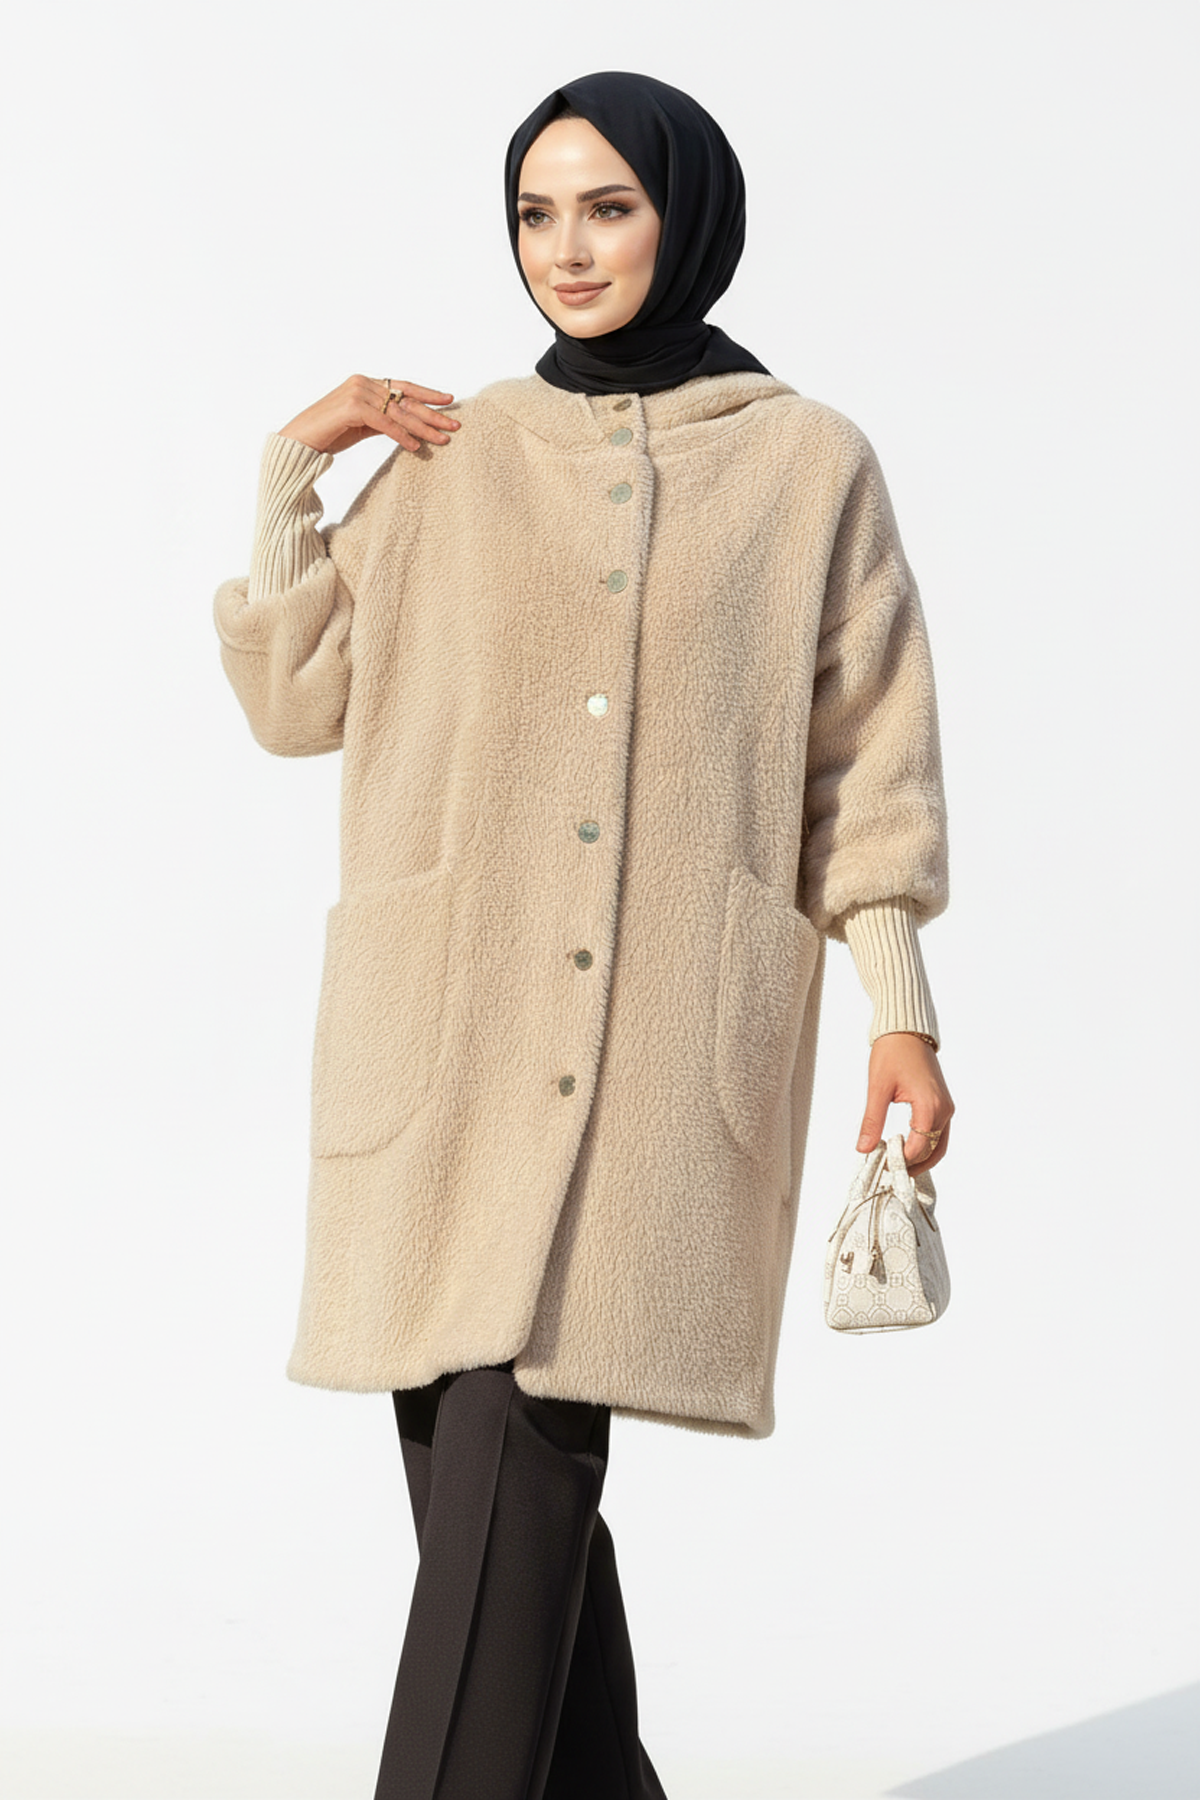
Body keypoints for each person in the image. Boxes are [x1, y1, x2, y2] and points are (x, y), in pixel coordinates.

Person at [212, 68, 954, 1800]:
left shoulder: (808, 467)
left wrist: (900, 1007)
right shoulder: (459, 456)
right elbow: (296, 701)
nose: (568, 248)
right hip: (447, 1042)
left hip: (652, 1049)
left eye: (609, 207)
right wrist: (291, 474)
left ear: (685, 216)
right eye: (536, 214)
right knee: (499, 1523)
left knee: (510, 1466)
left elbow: (870, 762)